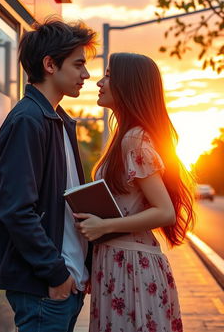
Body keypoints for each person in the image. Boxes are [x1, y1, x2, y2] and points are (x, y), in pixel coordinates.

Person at [75, 53, 194, 332]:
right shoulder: (125, 138)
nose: (99, 83)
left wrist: (104, 226)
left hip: (132, 268)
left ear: (128, 85)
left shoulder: (134, 139)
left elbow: (164, 211)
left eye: (108, 76)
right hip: (118, 263)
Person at [0, 18, 97, 332]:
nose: (86, 74)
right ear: (50, 64)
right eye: (78, 64)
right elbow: (16, 209)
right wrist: (56, 273)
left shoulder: (57, 120)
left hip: (64, 287)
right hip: (45, 291)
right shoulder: (29, 120)